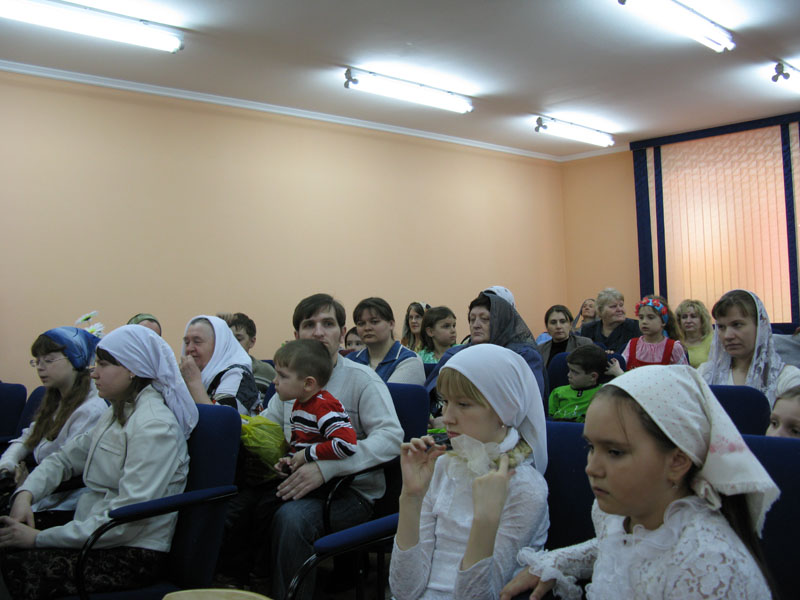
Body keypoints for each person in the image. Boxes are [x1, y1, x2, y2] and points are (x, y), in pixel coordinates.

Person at [501, 365, 777, 600]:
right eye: (591, 447)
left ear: (678, 462)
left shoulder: (706, 566)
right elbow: (620, 546)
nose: (591, 468)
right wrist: (555, 562)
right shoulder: (618, 511)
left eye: (615, 452)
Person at [227, 293, 403, 600]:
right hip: (300, 484)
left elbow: (391, 438)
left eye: (328, 324)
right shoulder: (292, 381)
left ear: (341, 332)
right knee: (238, 504)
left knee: (291, 519)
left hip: (352, 493)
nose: (319, 332)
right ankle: (245, 584)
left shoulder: (362, 380)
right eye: (309, 325)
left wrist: (327, 467)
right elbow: (266, 428)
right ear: (297, 336)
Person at [0, 325, 197, 599]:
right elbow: (65, 458)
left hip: (130, 552)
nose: (93, 373)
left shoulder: (154, 426)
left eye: (103, 365)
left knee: (11, 565)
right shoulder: (118, 410)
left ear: (132, 369)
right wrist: (26, 493)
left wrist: (37, 539)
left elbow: (126, 521)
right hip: (96, 529)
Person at [390, 344, 549, 600]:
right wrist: (411, 497)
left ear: (504, 410)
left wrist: (484, 520)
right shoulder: (442, 465)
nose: (447, 417)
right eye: (445, 402)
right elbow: (404, 590)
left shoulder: (525, 487)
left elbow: (478, 595)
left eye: (463, 404)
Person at [0, 328, 107, 518]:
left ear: (75, 360)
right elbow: (27, 438)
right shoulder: (55, 399)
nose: (40, 367)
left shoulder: (91, 409)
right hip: (38, 491)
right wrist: (8, 466)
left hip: (61, 504)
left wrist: (26, 487)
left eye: (48, 360)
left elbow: (66, 465)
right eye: (37, 361)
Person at [425, 291, 545, 399]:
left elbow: (528, 401)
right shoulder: (455, 354)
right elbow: (429, 395)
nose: (476, 325)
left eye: (485, 319)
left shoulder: (523, 356)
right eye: (472, 319)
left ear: (501, 322)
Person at [698, 289, 800, 408]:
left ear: (760, 326)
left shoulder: (788, 379)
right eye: (721, 327)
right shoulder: (704, 374)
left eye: (737, 325)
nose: (727, 336)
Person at [274, 339, 357, 470]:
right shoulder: (299, 404)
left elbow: (346, 444)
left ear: (308, 384)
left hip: (327, 476)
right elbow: (299, 445)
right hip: (304, 473)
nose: (275, 381)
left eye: (282, 376)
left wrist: (306, 455)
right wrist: (289, 459)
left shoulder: (324, 407)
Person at [179, 315, 259, 414]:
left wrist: (193, 382)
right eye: (187, 342)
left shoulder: (238, 375)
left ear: (219, 344)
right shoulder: (186, 374)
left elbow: (221, 420)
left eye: (197, 341)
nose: (189, 348)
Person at [346, 297, 425, 385]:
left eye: (374, 322)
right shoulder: (349, 360)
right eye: (361, 324)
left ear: (391, 324)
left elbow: (384, 393)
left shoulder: (409, 360)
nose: (367, 328)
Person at [613, 297, 688, 372]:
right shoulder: (632, 344)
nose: (644, 321)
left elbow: (684, 374)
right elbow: (622, 369)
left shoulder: (674, 347)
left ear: (663, 321)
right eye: (641, 317)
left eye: (650, 317)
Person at [219, 312, 277, 400]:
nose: (232, 343)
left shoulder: (267, 371)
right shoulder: (214, 369)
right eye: (228, 338)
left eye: (238, 339)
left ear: (252, 342)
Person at [548, 345, 609, 422]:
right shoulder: (557, 392)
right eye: (569, 370)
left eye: (574, 372)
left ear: (593, 376)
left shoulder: (604, 393)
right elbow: (548, 419)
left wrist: (618, 372)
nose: (568, 375)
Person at [579, 288, 640, 353]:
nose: (620, 309)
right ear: (600, 310)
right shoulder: (588, 329)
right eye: (613, 306)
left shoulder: (635, 326)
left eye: (621, 305)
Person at [675, 299, 713, 368]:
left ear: (702, 320)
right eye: (684, 317)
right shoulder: (676, 343)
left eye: (693, 316)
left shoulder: (713, 340)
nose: (688, 321)